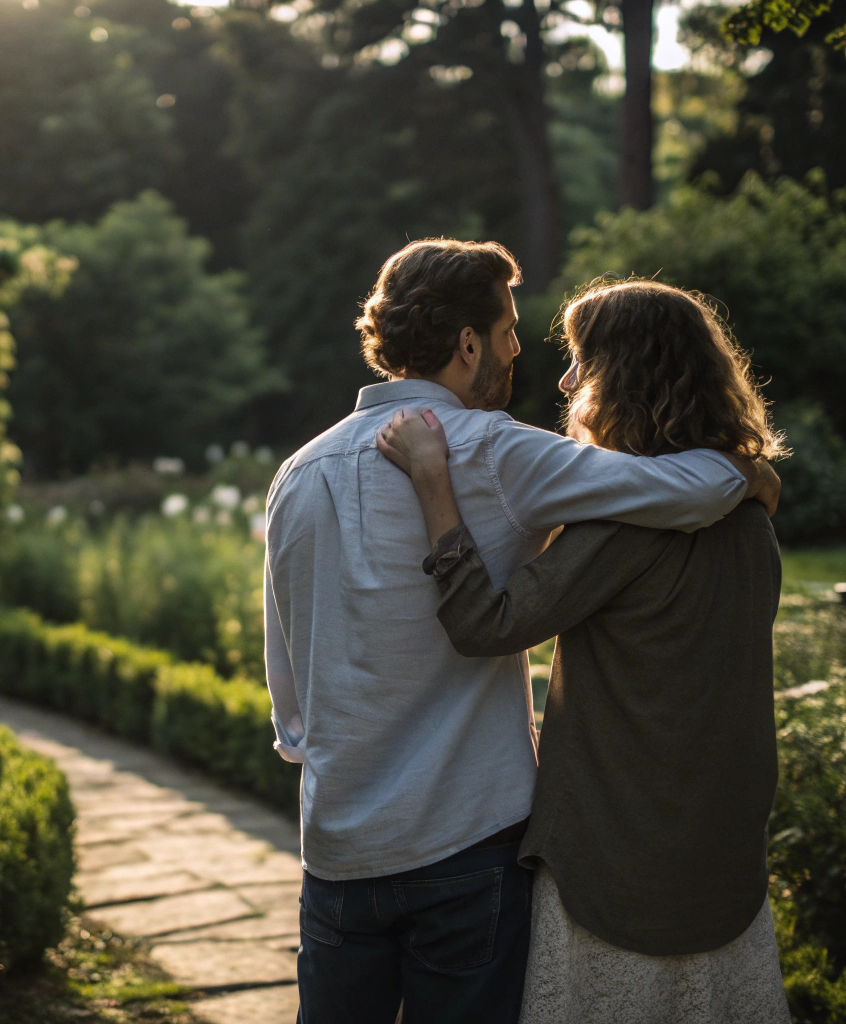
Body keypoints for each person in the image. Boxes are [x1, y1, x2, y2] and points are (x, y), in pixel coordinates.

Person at [262, 240, 782, 1023]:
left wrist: (321, 759)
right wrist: (753, 472)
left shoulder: (296, 474)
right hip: (467, 839)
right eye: (509, 332)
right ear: (468, 343)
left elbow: (287, 676)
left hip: (337, 845)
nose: (521, 352)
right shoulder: (500, 452)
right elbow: (687, 482)